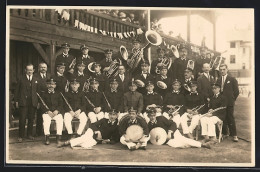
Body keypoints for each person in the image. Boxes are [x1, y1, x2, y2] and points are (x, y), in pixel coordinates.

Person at [14, 64, 38, 142]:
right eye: (28, 70)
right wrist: (16, 101)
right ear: (25, 70)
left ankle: (29, 134)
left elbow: (38, 92)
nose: (30, 71)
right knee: (22, 119)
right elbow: (16, 91)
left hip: (32, 102)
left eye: (31, 70)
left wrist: (37, 102)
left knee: (31, 119)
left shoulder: (35, 79)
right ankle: (21, 136)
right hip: (23, 102)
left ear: (33, 70)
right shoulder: (21, 79)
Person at [216, 64, 239, 142]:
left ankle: (234, 135)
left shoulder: (232, 79)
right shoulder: (218, 80)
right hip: (221, 104)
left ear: (227, 69)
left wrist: (232, 99)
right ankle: (225, 133)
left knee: (230, 118)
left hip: (229, 102)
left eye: (224, 69)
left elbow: (236, 92)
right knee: (223, 118)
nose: (222, 71)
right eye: (221, 69)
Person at [39, 78, 64, 146]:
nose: (51, 86)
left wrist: (57, 110)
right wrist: (47, 111)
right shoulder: (43, 94)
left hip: (56, 112)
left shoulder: (58, 94)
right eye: (49, 84)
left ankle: (58, 137)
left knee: (60, 119)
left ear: (55, 86)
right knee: (46, 120)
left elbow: (61, 104)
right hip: (47, 113)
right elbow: (42, 104)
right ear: (47, 85)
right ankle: (47, 137)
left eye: (53, 84)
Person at [34, 62, 51, 136]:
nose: (43, 69)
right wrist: (37, 101)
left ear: (46, 68)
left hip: (48, 98)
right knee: (39, 115)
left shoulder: (50, 76)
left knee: (48, 114)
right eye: (41, 67)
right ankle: (38, 132)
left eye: (44, 67)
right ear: (38, 68)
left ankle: (47, 131)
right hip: (39, 97)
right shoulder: (35, 76)